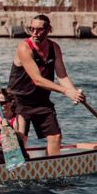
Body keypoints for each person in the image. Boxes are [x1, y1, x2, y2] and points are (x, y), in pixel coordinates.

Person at [9, 13, 85, 156]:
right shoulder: (24, 48)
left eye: (39, 29)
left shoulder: (54, 48)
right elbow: (37, 79)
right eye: (31, 29)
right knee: (20, 140)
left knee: (55, 137)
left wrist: (75, 93)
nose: (34, 33)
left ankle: (51, 171)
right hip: (19, 100)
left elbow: (62, 76)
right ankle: (13, 167)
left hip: (41, 101)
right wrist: (65, 92)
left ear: (48, 29)